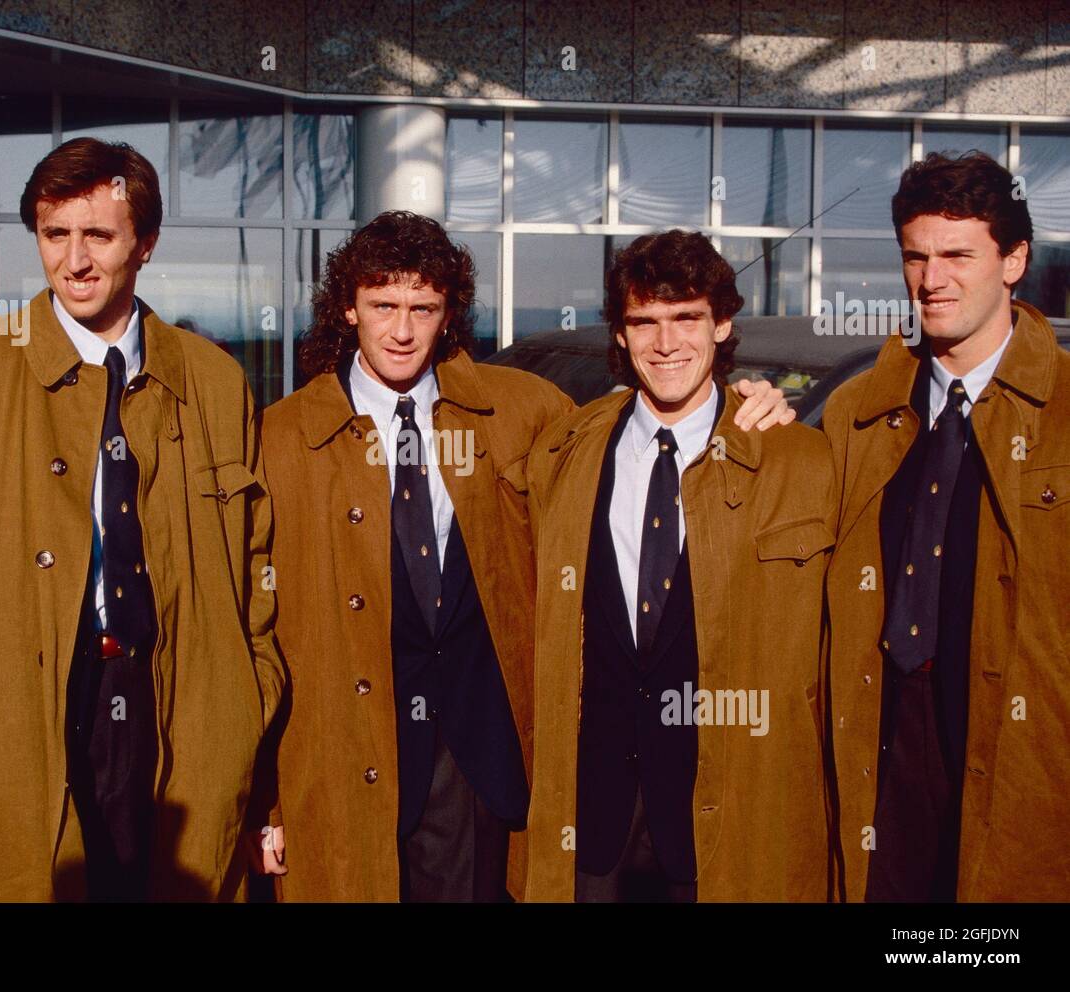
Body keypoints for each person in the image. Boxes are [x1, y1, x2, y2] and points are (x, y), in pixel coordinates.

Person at [255, 211, 793, 901]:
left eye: (423, 308)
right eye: (382, 305)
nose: (401, 329)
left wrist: (754, 400)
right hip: (342, 767)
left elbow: (645, 424)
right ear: (348, 310)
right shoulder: (281, 437)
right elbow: (256, 631)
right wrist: (265, 803)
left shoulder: (526, 412)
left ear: (448, 315)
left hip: (489, 766)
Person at [0, 137, 284, 901]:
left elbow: (257, 569)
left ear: (144, 244)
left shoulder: (216, 382)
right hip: (18, 719)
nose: (75, 260)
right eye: (56, 235)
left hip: (178, 711)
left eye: (100, 235)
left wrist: (245, 702)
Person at [524, 230, 832, 902]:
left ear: (722, 324)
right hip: (593, 816)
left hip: (719, 814)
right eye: (645, 322)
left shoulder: (798, 462)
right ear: (622, 334)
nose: (666, 344)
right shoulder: (565, 453)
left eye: (687, 317)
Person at [823, 151, 1070, 902]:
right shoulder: (856, 413)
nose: (933, 281)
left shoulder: (1064, 410)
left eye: (959, 255)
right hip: (887, 734)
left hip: (1023, 748)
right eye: (917, 257)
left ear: (1014, 261)